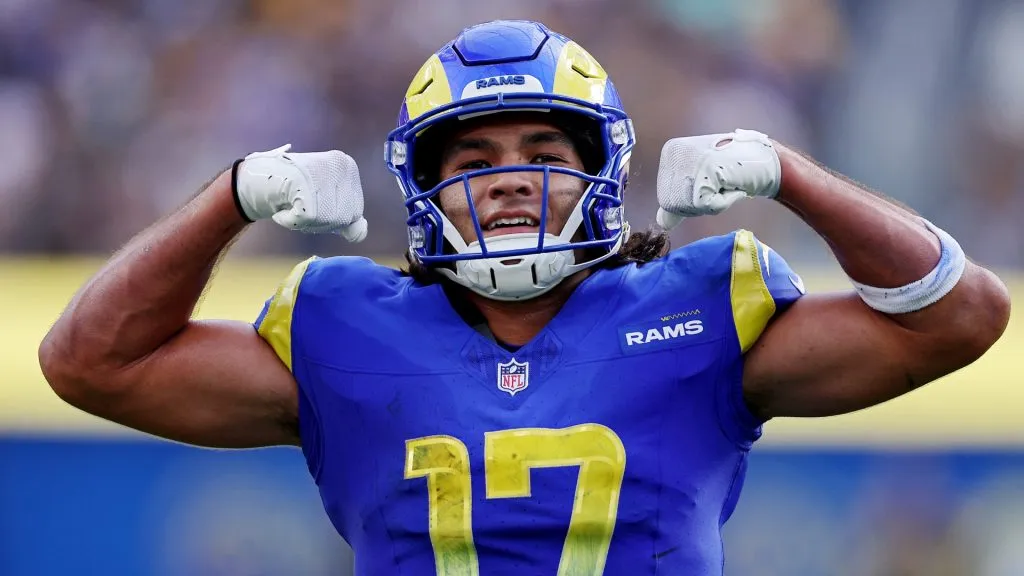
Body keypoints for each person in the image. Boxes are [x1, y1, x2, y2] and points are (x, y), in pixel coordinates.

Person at [38, 19, 1010, 576]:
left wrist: (788, 174)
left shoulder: (699, 309)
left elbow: (959, 314)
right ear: (421, 186)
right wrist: (232, 197)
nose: (506, 179)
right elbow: (89, 364)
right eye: (472, 158)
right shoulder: (343, 324)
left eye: (542, 154)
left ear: (600, 172)